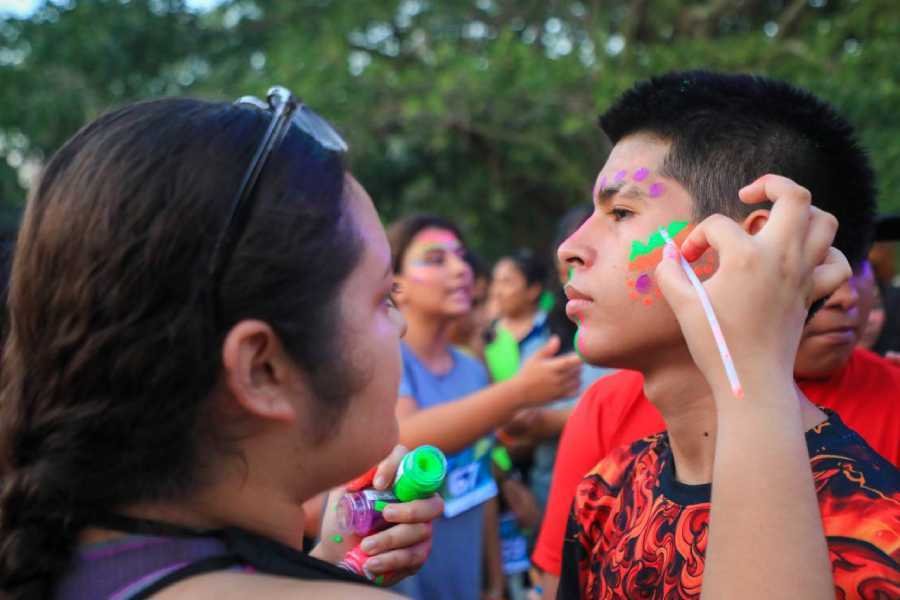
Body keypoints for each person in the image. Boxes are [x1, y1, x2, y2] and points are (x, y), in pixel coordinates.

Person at [0, 87, 444, 599]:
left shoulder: (47, 553)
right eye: (384, 296)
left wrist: (330, 567)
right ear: (261, 369)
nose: (402, 326)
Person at [554, 71, 898, 599]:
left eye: (621, 212)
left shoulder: (876, 535)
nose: (570, 248)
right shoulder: (606, 494)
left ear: (754, 243)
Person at [386, 214, 583, 600]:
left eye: (460, 256)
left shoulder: (474, 371)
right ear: (396, 285)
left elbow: (479, 479)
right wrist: (518, 392)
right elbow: (407, 435)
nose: (460, 269)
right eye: (436, 259)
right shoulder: (388, 358)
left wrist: (492, 582)